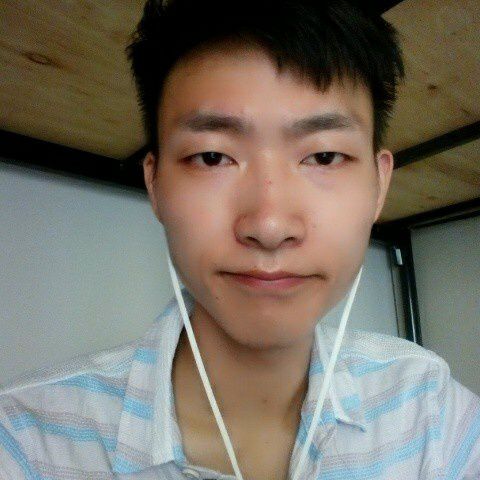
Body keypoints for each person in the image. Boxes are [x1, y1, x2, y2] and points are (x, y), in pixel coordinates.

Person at [1, 0, 479, 478]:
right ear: (155, 184)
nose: (269, 226)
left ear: (380, 184)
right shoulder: (26, 442)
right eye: (212, 157)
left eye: (324, 156)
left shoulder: (431, 414)